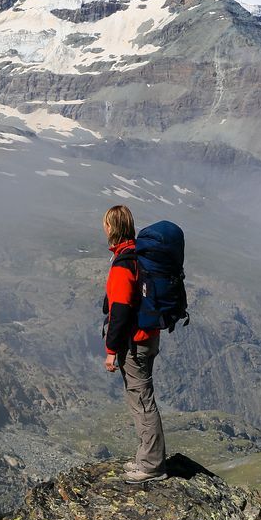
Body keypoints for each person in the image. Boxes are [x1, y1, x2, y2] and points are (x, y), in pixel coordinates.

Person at [102, 204, 167, 483]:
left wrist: (110, 350)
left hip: (134, 343)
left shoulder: (123, 264)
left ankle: (152, 466)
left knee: (141, 402)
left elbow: (120, 310)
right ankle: (146, 458)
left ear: (112, 228)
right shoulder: (137, 256)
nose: (103, 228)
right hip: (148, 337)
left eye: (105, 224)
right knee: (142, 399)